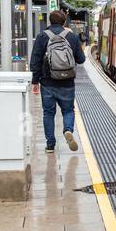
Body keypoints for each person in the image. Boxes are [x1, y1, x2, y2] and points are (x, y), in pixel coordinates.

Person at [29, 9, 86, 153]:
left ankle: (50, 145)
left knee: (48, 113)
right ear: (64, 22)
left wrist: (35, 82)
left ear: (49, 21)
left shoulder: (42, 36)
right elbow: (81, 59)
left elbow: (34, 60)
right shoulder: (71, 37)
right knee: (68, 110)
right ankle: (68, 130)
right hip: (67, 82)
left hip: (47, 82)